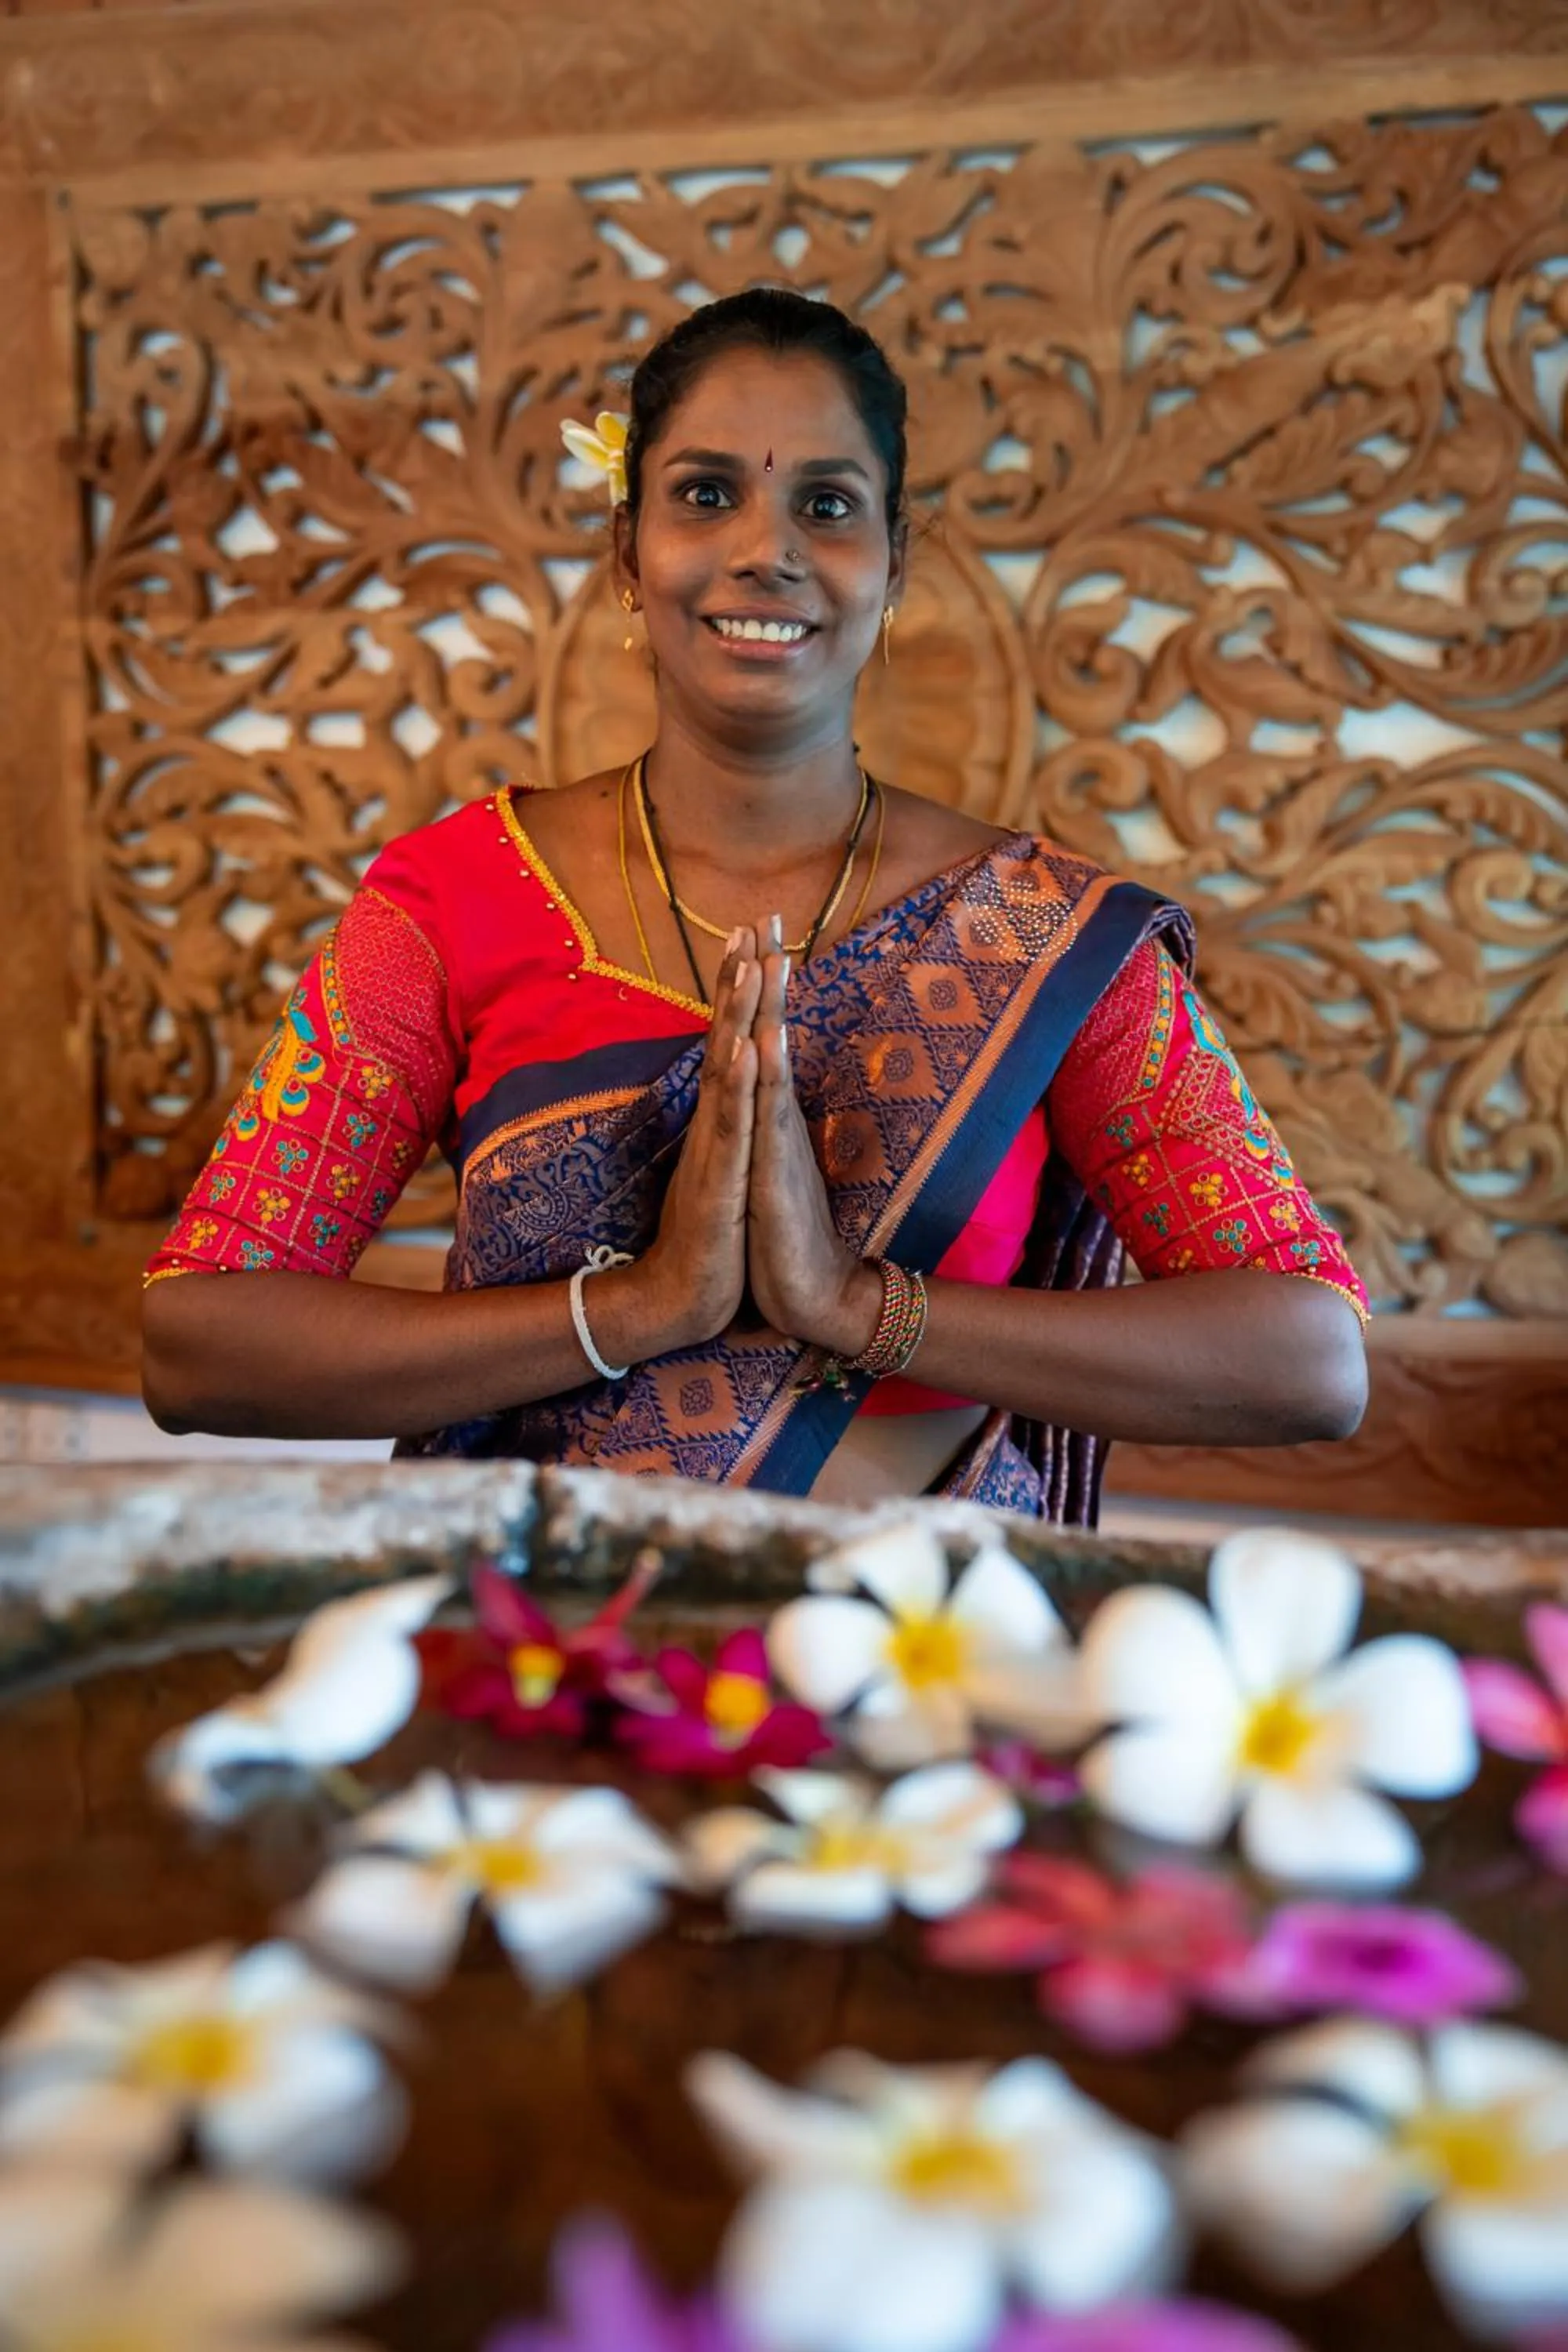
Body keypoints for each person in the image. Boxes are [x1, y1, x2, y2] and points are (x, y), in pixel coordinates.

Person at [142, 288, 1367, 1519]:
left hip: (925, 1667)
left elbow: (1308, 1360)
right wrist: (639, 1305)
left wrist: (854, 1305)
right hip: (558, 1664)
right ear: (629, 553)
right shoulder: (448, 900)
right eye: (706, 493)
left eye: (826, 505)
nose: (763, 549)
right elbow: (203, 1338)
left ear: (896, 559)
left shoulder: (1045, 931)